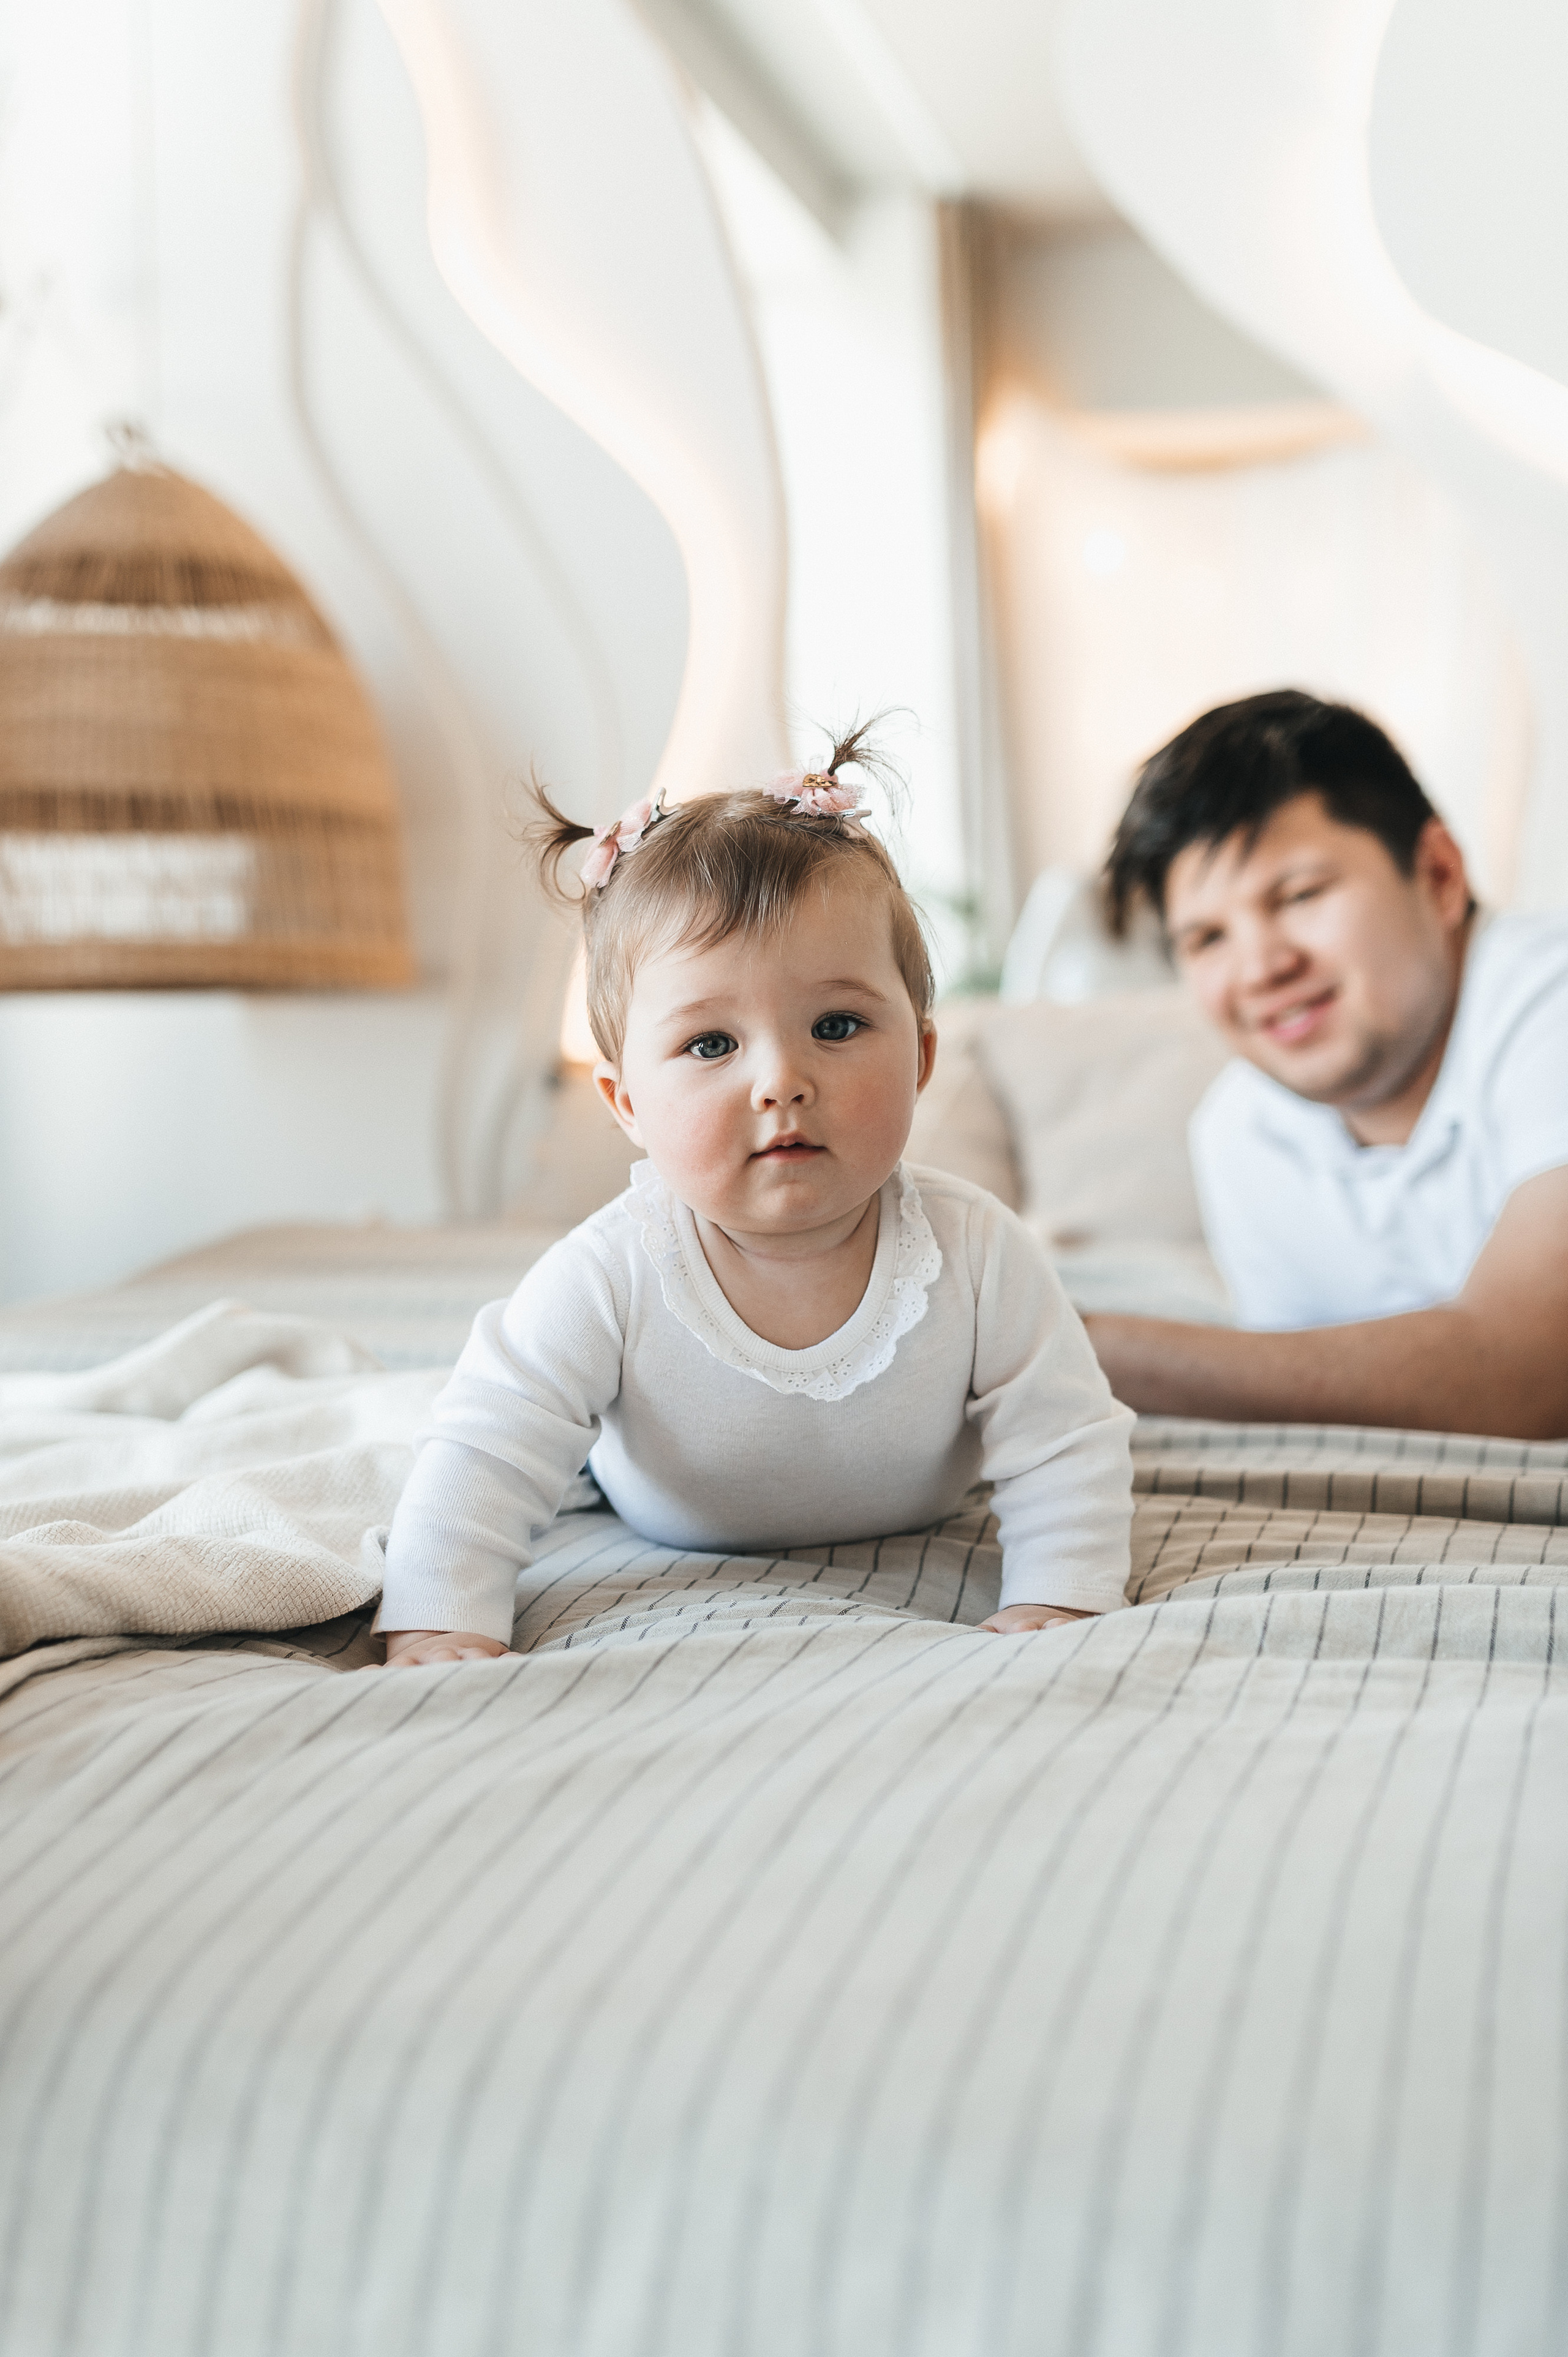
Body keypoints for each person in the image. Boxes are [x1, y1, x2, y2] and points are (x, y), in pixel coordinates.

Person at [379, 728, 1134, 1666]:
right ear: (626, 1104)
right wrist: (442, 1617)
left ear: (923, 1058)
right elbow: (487, 1445)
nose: (782, 1080)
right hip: (658, 1517)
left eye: (837, 1024)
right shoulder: (610, 1273)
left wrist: (1062, 1599)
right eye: (710, 1045)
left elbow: (1065, 1443)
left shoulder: (980, 1254)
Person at [1087, 689, 1568, 1439]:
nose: (1261, 969)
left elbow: (1532, 1375)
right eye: (1206, 939)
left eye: (1300, 894)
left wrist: (1080, 1347)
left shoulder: (1548, 996)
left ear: (1439, 873)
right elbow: (1315, 1409)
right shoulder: (1236, 1133)